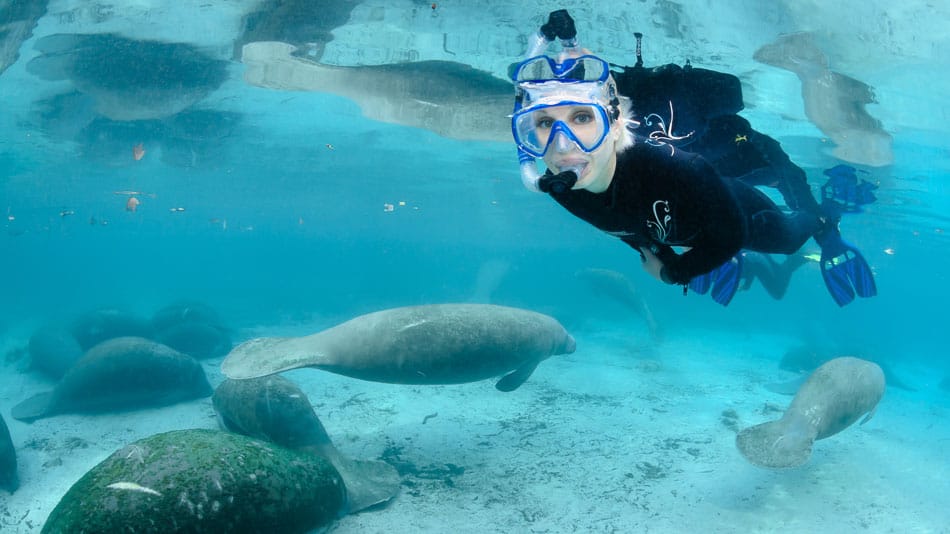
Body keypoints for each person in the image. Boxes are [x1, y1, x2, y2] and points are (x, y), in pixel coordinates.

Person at [510, 10, 876, 306]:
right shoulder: (560, 186)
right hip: (684, 232)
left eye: (582, 118)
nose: (562, 146)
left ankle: (825, 222)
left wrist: (677, 271)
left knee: (790, 239)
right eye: (543, 123)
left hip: (740, 215)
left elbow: (731, 235)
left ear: (616, 123)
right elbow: (623, 225)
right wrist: (665, 256)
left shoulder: (677, 167)